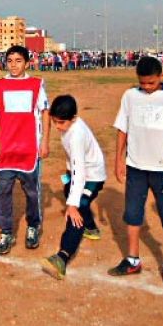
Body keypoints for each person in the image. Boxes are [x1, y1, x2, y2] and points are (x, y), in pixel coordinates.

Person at [109, 56, 163, 289]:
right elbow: (122, 129)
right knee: (133, 214)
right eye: (142, 83)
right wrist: (118, 160)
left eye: (151, 83)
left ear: (161, 77)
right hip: (135, 167)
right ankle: (132, 259)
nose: (146, 87)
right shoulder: (130, 96)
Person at [0, 45, 50, 255]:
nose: (14, 65)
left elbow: (44, 113)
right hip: (6, 149)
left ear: (27, 63)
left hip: (28, 149)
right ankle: (6, 231)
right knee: (3, 192)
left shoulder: (36, 84)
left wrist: (44, 142)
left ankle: (33, 226)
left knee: (32, 192)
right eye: (10, 60)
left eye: (18, 60)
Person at [40, 95, 106, 279]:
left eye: (62, 122)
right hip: (80, 171)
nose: (58, 126)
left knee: (77, 209)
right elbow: (74, 163)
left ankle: (62, 257)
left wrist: (72, 205)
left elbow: (80, 171)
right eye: (54, 122)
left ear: (74, 118)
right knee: (69, 192)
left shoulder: (77, 134)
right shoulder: (68, 127)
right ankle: (91, 228)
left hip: (92, 176)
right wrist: (68, 174)